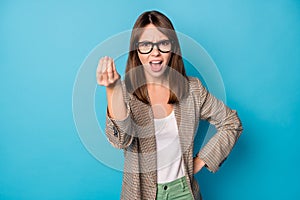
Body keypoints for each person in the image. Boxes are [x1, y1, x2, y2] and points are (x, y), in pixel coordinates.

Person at [96, 10, 243, 200]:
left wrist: (202, 160)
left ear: (172, 47)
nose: (155, 52)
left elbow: (232, 123)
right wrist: (112, 89)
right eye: (146, 45)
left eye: (163, 43)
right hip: (140, 194)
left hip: (184, 191)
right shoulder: (125, 92)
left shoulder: (193, 89)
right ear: (136, 50)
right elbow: (120, 141)